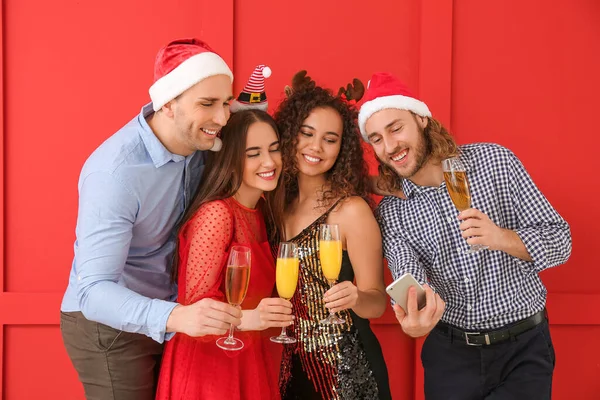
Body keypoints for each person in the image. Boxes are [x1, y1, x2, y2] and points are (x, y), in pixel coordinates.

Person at [359, 72, 572, 399]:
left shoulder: (494, 163)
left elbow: (561, 241)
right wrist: (413, 314)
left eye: (396, 128)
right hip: (452, 355)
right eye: (376, 138)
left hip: (524, 349)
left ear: (421, 119)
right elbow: (408, 274)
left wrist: (501, 237)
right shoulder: (392, 210)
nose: (389, 146)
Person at [59, 38, 243, 400]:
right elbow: (94, 290)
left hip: (176, 315)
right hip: (109, 327)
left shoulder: (202, 144)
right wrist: (176, 317)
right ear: (168, 103)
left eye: (225, 103)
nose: (222, 118)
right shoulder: (116, 173)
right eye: (207, 104)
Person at [155, 109, 293, 400]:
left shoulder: (262, 211)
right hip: (209, 368)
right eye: (252, 153)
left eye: (274, 149)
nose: (269, 162)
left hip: (248, 357)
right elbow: (195, 312)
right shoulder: (217, 213)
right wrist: (251, 319)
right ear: (231, 159)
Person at [270, 71, 392, 400]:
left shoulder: (351, 210)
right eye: (306, 133)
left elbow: (377, 302)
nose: (316, 147)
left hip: (349, 375)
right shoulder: (276, 207)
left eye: (330, 138)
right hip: (290, 369)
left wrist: (357, 297)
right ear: (289, 136)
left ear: (342, 146)